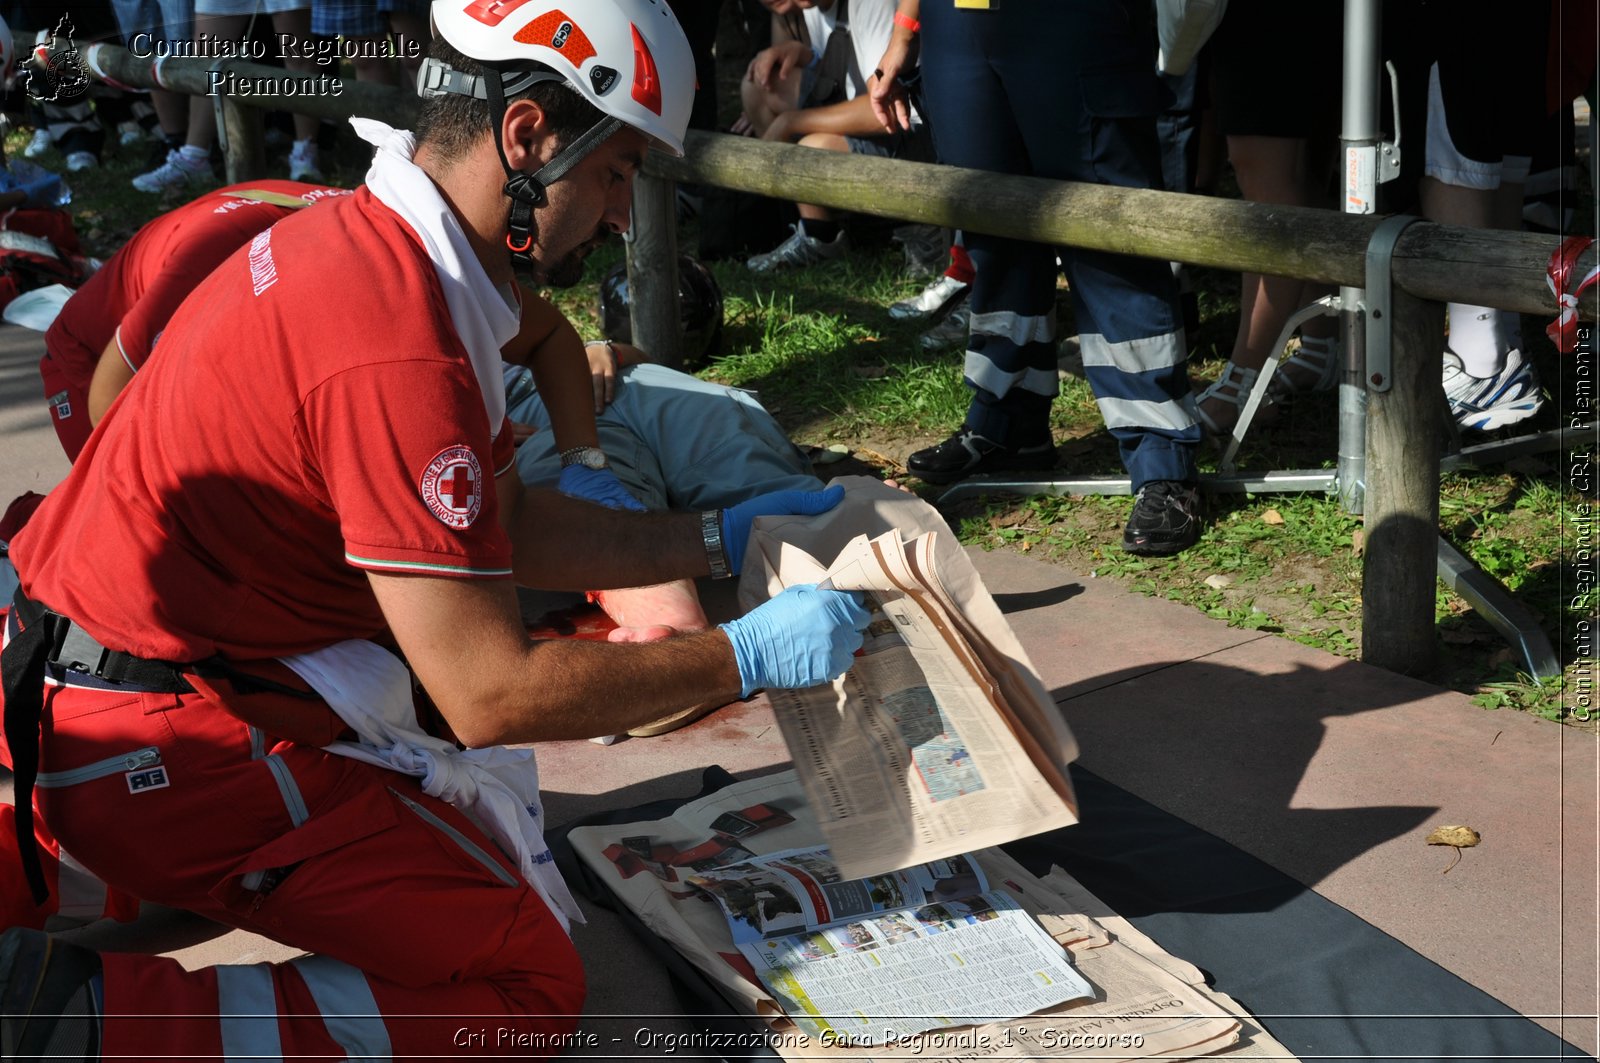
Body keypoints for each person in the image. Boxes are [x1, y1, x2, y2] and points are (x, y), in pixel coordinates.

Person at [0, 3, 868, 1057]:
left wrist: (714, 540)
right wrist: (739, 657)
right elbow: (490, 691)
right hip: (161, 733)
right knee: (522, 982)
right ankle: (76, 1027)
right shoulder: (394, 341)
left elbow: (504, 525)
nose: (621, 216)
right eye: (615, 173)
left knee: (467, 856)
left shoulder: (385, 251)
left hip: (136, 685)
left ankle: (112, 951)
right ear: (529, 138)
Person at [870, 0, 1203, 556]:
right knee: (991, 234)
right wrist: (904, 35)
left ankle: (1162, 458)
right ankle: (1008, 421)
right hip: (957, 24)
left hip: (1066, 21)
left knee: (1107, 237)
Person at [39, 180, 350, 463]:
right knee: (119, 508)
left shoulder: (359, 211)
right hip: (84, 360)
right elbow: (109, 394)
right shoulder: (213, 252)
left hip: (198, 319)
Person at [739, 0, 932, 273]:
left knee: (809, 150)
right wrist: (808, 56)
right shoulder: (811, 8)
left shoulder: (870, 5)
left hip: (911, 133)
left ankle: (833, 233)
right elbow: (843, 77)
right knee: (758, 86)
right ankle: (809, 223)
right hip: (866, 116)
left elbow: (885, 108)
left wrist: (792, 121)